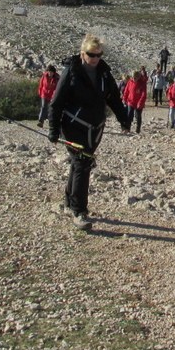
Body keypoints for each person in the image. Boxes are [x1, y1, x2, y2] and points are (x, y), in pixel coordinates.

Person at [48, 34, 130, 230]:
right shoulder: (72, 71)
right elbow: (56, 102)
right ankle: (79, 211)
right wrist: (53, 128)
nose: (95, 59)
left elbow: (114, 99)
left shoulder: (103, 73)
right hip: (74, 126)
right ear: (82, 53)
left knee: (80, 164)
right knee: (82, 163)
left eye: (99, 55)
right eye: (92, 55)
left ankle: (70, 201)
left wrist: (124, 119)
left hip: (95, 128)